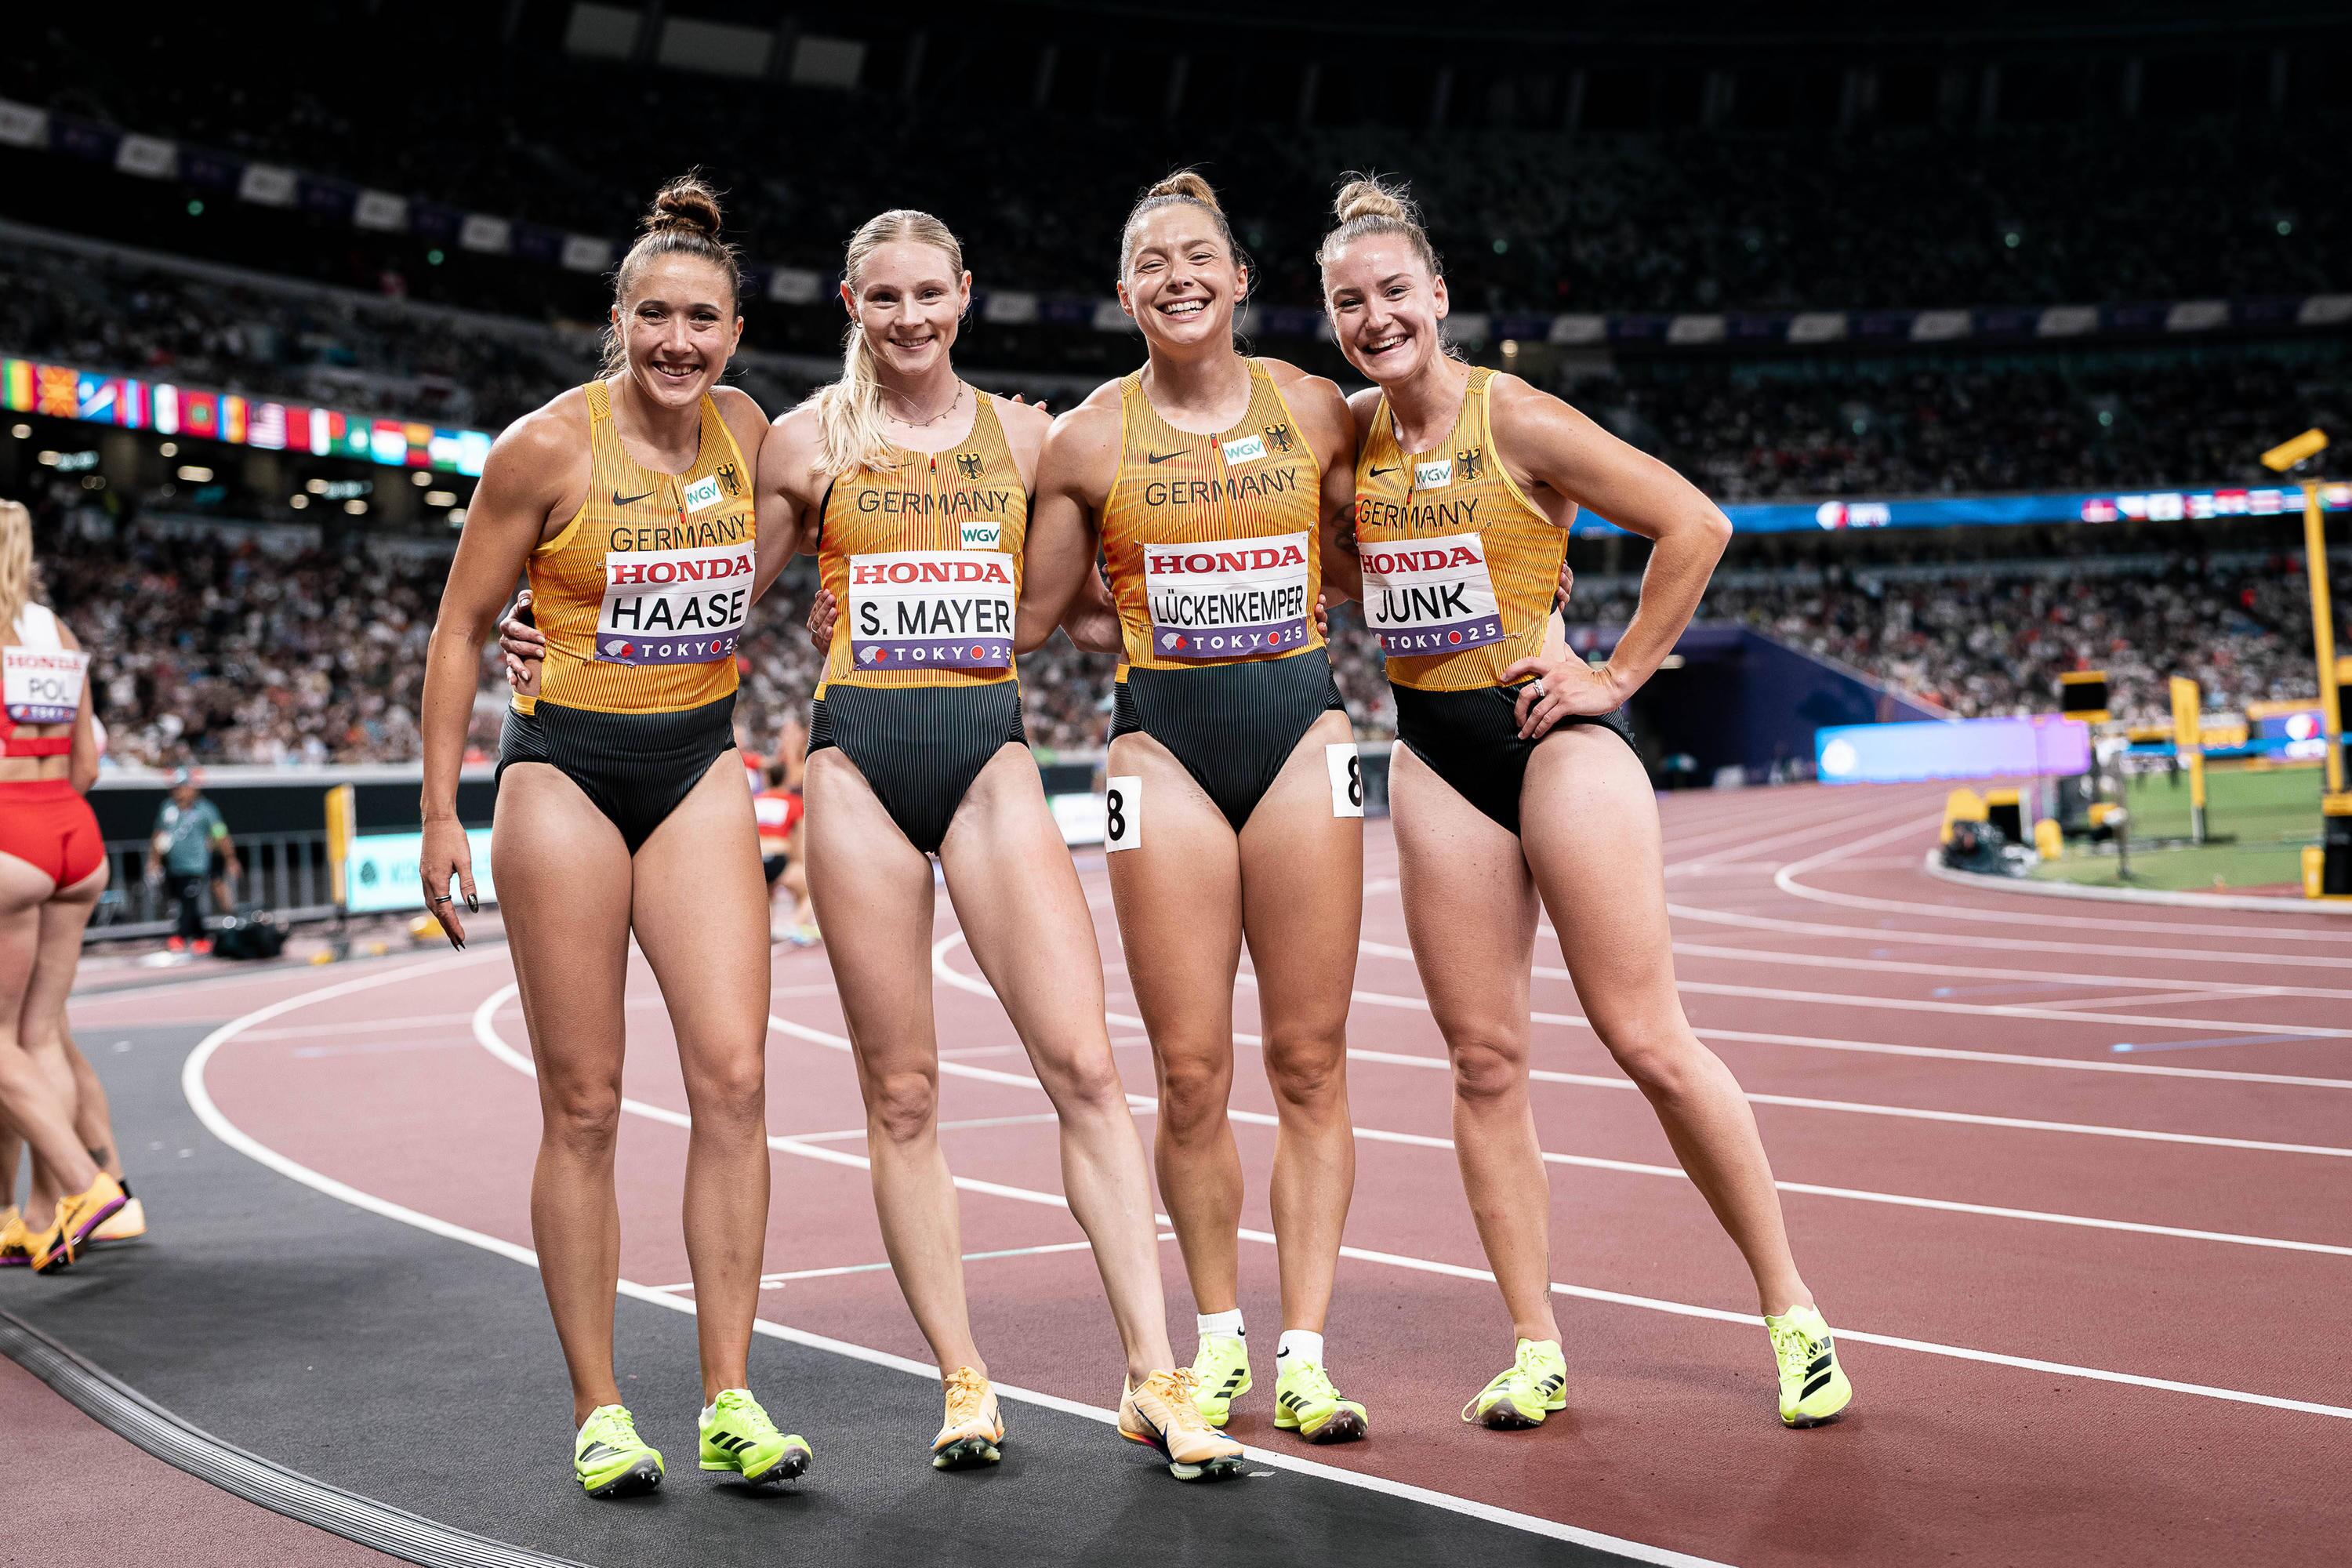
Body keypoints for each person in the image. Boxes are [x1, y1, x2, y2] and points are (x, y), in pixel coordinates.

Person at [532, 207, 1246, 1482]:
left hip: (988, 760)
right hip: (856, 768)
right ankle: (964, 1380)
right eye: (885, 297)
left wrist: (1299, 588)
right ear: (851, 307)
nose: (910, 317)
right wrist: (543, 627)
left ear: (964, 295)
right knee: (902, 1093)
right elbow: (700, 583)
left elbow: (1089, 604)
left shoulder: (1030, 438)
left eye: (930, 293)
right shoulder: (802, 443)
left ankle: (1156, 1374)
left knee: (1086, 1067)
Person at [1318, 175, 1853, 1430]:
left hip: (1555, 742)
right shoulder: (1344, 436)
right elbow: (1346, 566)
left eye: (1395, 293)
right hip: (1434, 752)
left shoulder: (1518, 418)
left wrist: (1614, 674)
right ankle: (1535, 1347)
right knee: (1483, 1062)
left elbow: (1694, 523)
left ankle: (1794, 1315)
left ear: (1438, 295)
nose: (1376, 318)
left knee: (1646, 1037)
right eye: (1349, 302)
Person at [418, 176, 810, 1499]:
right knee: (584, 1103)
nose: (677, 343)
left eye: (702, 321)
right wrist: (439, 810)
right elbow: (459, 628)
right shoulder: (544, 449)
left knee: (736, 1083)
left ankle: (730, 1398)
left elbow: (783, 535)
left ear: (735, 333)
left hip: (696, 761)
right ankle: (599, 1410)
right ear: (619, 319)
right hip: (564, 776)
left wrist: (789, 601)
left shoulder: (748, 431)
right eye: (656, 317)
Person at [1015, 172, 1373, 1444]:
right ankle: (1218, 1341)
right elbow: (1030, 615)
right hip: (1159, 747)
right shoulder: (1088, 439)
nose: (1178, 277)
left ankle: (1307, 1355)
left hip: (1302, 731)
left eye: (1198, 257)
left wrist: (1526, 569)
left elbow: (1378, 547)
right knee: (1188, 1069)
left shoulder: (1314, 408)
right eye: (1153, 263)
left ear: (1237, 279)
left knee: (1310, 1059)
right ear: (1127, 293)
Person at [0, 497, 129, 1273]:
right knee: (38, 1033)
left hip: (10, 832)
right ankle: (44, 1216)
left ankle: (83, 1185)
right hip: (73, 832)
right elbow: (86, 762)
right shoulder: (58, 633)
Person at [147, 768, 237, 954]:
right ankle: (201, 936)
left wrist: (230, 858)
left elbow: (220, 833)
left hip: (196, 864)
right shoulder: (168, 808)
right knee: (181, 900)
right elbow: (160, 835)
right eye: (175, 788)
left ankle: (179, 936)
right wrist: (154, 860)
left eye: (182, 787)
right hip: (174, 864)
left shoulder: (206, 809)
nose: (178, 792)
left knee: (189, 900)